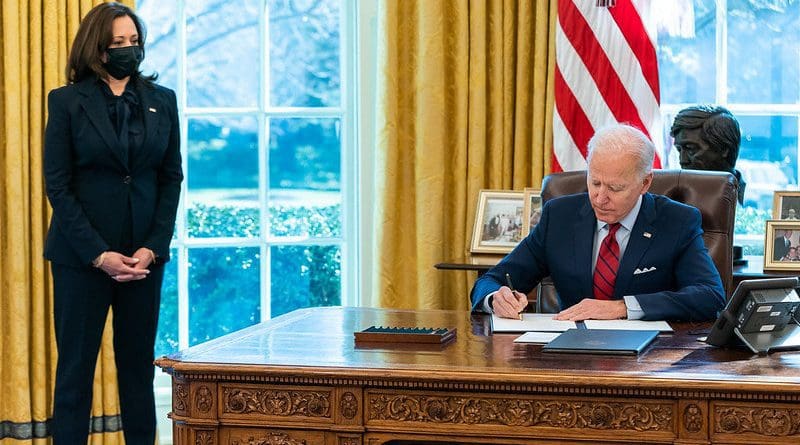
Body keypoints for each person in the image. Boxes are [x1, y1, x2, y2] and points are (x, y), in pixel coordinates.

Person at [43, 3, 182, 443]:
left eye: (134, 41)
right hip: (81, 258)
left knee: (138, 371)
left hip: (143, 259)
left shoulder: (163, 101)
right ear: (97, 48)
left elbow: (170, 178)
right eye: (118, 43)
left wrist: (153, 247)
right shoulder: (66, 102)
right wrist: (99, 254)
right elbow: (58, 186)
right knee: (74, 375)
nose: (129, 50)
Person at [471, 124, 725, 322]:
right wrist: (496, 298)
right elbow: (491, 280)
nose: (600, 197)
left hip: (648, 361)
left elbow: (710, 296)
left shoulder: (677, 221)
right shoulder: (559, 216)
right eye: (594, 182)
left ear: (645, 183)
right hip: (571, 357)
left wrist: (622, 307)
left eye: (615, 188)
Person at [670, 105, 746, 205]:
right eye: (679, 150)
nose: (683, 160)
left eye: (691, 149)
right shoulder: (673, 197)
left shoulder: (756, 201)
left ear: (723, 148)